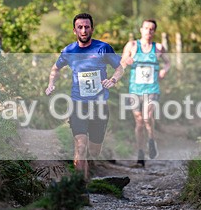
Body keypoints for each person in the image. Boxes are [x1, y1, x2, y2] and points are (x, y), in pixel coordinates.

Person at [46, 13, 125, 180]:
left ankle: (87, 172)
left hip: (99, 106)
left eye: (87, 27)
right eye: (80, 27)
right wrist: (51, 83)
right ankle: (80, 189)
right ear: (74, 30)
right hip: (78, 105)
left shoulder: (103, 48)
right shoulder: (69, 51)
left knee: (93, 151)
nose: (83, 30)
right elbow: (55, 68)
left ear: (92, 29)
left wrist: (113, 80)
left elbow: (120, 68)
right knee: (80, 146)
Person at [121, 19, 170, 167]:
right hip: (135, 89)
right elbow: (122, 61)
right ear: (141, 29)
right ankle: (140, 154)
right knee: (139, 122)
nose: (148, 31)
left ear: (154, 32)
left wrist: (164, 70)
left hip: (151, 89)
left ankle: (151, 140)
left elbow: (168, 62)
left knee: (148, 117)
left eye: (152, 29)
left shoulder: (158, 48)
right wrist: (126, 61)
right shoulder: (132, 45)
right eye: (146, 28)